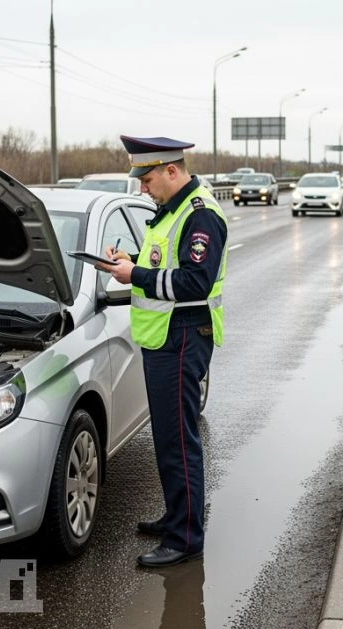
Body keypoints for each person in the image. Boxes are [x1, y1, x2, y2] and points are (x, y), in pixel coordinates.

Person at [96, 135, 227, 568]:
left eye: (148, 179)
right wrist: (127, 263)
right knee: (168, 438)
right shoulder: (169, 211)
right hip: (165, 337)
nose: (142, 189)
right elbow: (160, 262)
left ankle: (185, 537)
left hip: (183, 335)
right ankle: (177, 516)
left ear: (172, 170)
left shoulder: (200, 215)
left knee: (178, 441)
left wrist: (136, 275)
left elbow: (194, 282)